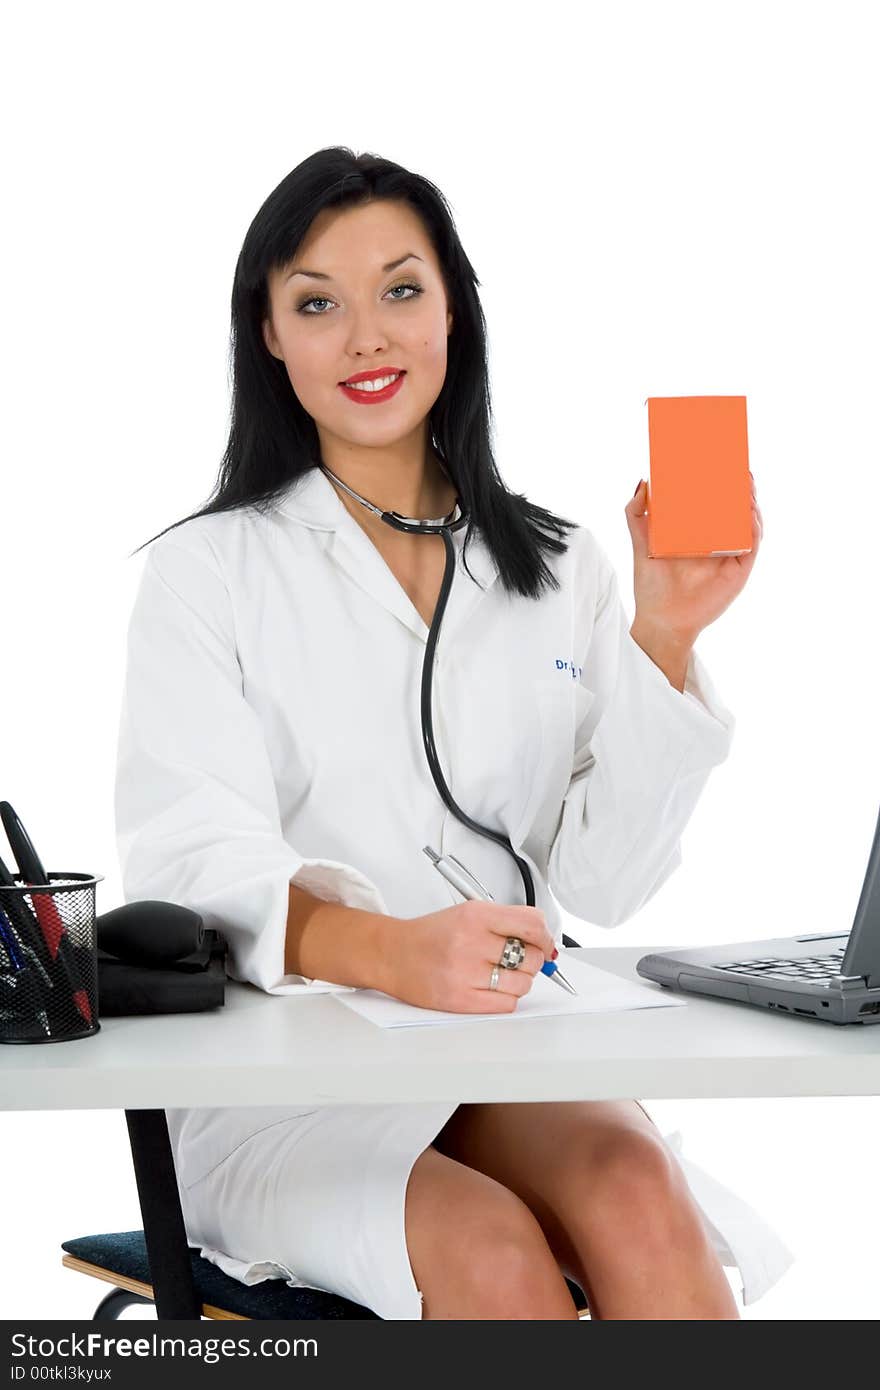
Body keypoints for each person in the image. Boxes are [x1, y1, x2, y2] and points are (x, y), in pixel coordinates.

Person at [114, 147, 790, 1320]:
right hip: (281, 1079)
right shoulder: (204, 573)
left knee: (635, 1188)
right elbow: (188, 862)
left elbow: (605, 881)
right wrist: (389, 949)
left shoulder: (563, 559)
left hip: (510, 1041)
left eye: (401, 289)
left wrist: (664, 640)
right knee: (489, 1256)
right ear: (269, 335)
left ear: (455, 308)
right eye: (317, 303)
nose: (366, 337)